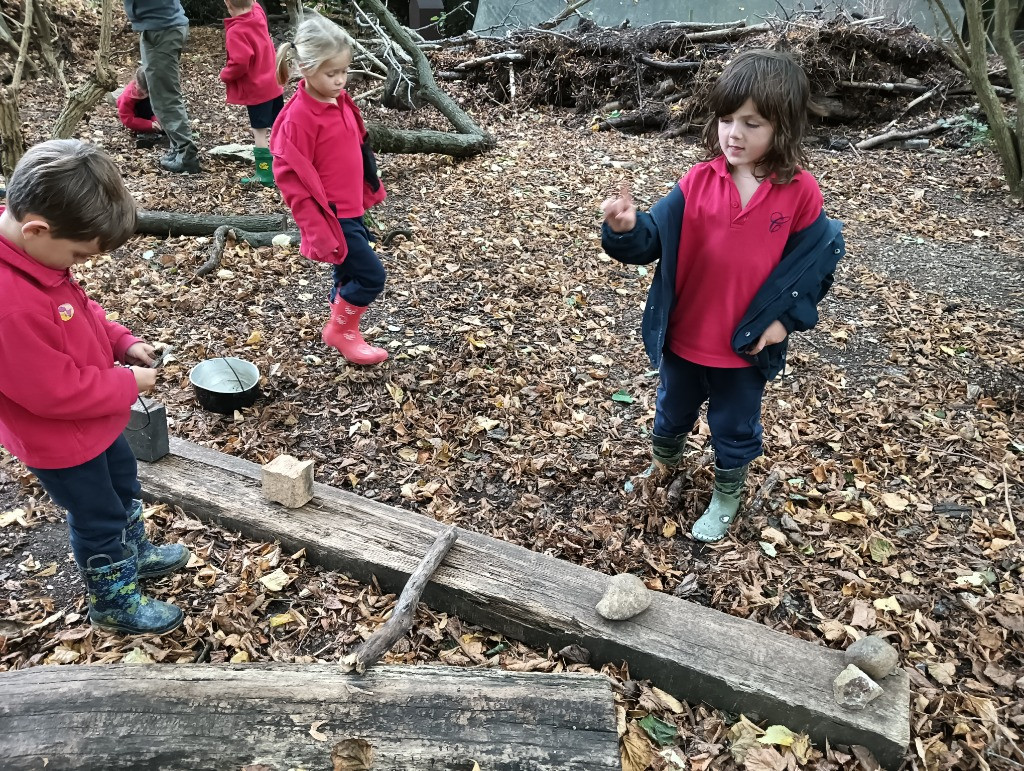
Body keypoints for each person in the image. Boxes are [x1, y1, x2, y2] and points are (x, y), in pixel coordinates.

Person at [601, 50, 845, 543]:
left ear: (784, 127)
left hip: (743, 346)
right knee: (671, 408)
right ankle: (662, 468)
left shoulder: (800, 193)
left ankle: (727, 494)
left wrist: (784, 323)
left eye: (752, 123)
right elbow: (653, 238)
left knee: (734, 425)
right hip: (686, 335)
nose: (734, 134)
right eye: (727, 119)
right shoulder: (697, 181)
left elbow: (816, 264)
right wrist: (625, 227)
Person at [0, 140, 189, 634]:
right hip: (61, 441)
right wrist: (127, 383)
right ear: (37, 228)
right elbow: (52, 392)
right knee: (98, 515)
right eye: (79, 253)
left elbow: (82, 314)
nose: (79, 265)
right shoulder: (11, 304)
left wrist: (123, 344)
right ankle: (114, 598)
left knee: (124, 485)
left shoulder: (39, 260)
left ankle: (137, 553)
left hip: (97, 425)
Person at [271, 14, 389, 366]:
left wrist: (368, 187)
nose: (340, 80)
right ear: (305, 68)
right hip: (332, 216)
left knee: (348, 272)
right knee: (371, 276)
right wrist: (314, 226)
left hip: (351, 207)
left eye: (344, 71)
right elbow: (289, 177)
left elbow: (354, 146)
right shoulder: (298, 118)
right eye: (331, 73)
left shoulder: (338, 99)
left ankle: (344, 325)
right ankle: (341, 330)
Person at [123, 0, 201, 174]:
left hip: (162, 29)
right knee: (161, 94)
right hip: (159, 26)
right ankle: (178, 148)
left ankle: (186, 154)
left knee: (164, 95)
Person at [220, 0, 284, 187]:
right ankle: (287, 164)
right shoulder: (258, 13)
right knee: (279, 126)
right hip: (274, 82)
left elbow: (239, 63)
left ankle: (264, 173)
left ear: (227, 4)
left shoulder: (236, 31)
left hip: (258, 90)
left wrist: (225, 74)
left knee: (260, 133)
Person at [116, 67, 167, 148]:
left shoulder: (153, 89)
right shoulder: (127, 97)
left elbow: (159, 105)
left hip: (150, 112)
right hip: (137, 118)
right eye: (142, 93)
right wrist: (149, 125)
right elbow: (128, 119)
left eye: (147, 92)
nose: (144, 95)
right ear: (137, 84)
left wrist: (156, 119)